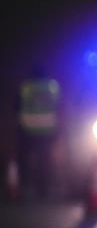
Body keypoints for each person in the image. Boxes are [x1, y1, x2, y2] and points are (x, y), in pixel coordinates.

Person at [16, 64, 61, 198]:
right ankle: (43, 189)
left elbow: (17, 107)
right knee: (45, 161)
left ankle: (24, 186)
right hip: (48, 130)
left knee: (25, 160)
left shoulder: (26, 87)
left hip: (27, 130)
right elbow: (59, 106)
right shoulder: (52, 87)